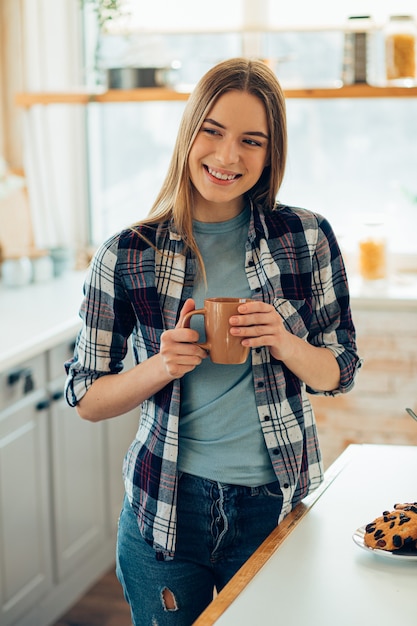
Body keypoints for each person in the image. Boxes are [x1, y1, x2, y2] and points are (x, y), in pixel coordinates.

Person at [65, 57, 362, 625]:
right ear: (189, 130)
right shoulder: (127, 254)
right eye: (213, 131)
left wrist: (284, 340)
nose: (228, 157)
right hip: (166, 508)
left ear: (271, 153)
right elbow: (85, 397)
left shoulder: (306, 237)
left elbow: (338, 371)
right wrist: (160, 366)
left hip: (272, 505)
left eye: (252, 141)